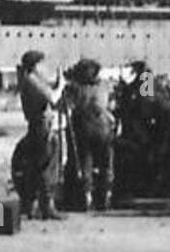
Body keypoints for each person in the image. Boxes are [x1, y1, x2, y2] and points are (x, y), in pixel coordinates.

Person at [16, 50, 64, 221]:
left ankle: (32, 205)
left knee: (37, 166)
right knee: (46, 166)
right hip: (41, 126)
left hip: (39, 125)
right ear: (36, 65)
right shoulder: (32, 80)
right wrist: (61, 85)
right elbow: (53, 98)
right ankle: (46, 206)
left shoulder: (30, 80)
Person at [68, 58, 115, 212]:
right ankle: (105, 197)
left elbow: (71, 106)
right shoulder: (104, 86)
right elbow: (109, 106)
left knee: (86, 164)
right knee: (105, 165)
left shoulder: (76, 88)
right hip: (103, 130)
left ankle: (88, 198)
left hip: (84, 130)